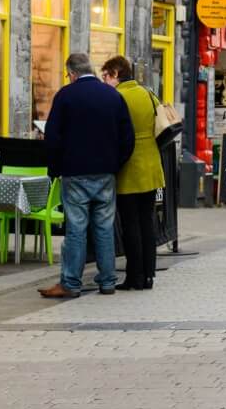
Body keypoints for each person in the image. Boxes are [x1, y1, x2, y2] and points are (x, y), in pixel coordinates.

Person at [39, 52, 133, 300]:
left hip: (75, 173)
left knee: (76, 229)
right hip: (105, 173)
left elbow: (53, 137)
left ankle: (71, 283)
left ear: (72, 72)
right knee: (104, 228)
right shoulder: (113, 95)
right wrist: (115, 163)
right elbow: (128, 138)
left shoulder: (65, 96)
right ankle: (107, 281)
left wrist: (55, 168)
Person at [103, 56, 162, 292]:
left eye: (106, 76)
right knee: (148, 221)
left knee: (130, 224)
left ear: (117, 73)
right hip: (152, 164)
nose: (105, 81)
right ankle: (148, 274)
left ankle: (134, 275)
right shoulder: (147, 93)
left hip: (130, 166)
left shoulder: (118, 97)